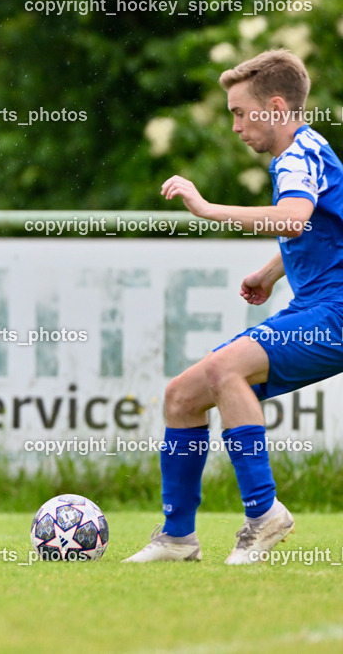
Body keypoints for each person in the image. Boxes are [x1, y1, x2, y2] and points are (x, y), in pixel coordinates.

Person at [125, 49, 343, 564]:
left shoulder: (296, 156)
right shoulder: (308, 149)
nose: (236, 126)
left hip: (334, 313)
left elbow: (292, 219)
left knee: (226, 370)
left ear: (272, 106)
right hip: (314, 305)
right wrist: (269, 274)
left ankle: (264, 515)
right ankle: (177, 538)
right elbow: (319, 228)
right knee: (181, 395)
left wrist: (204, 209)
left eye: (240, 113)